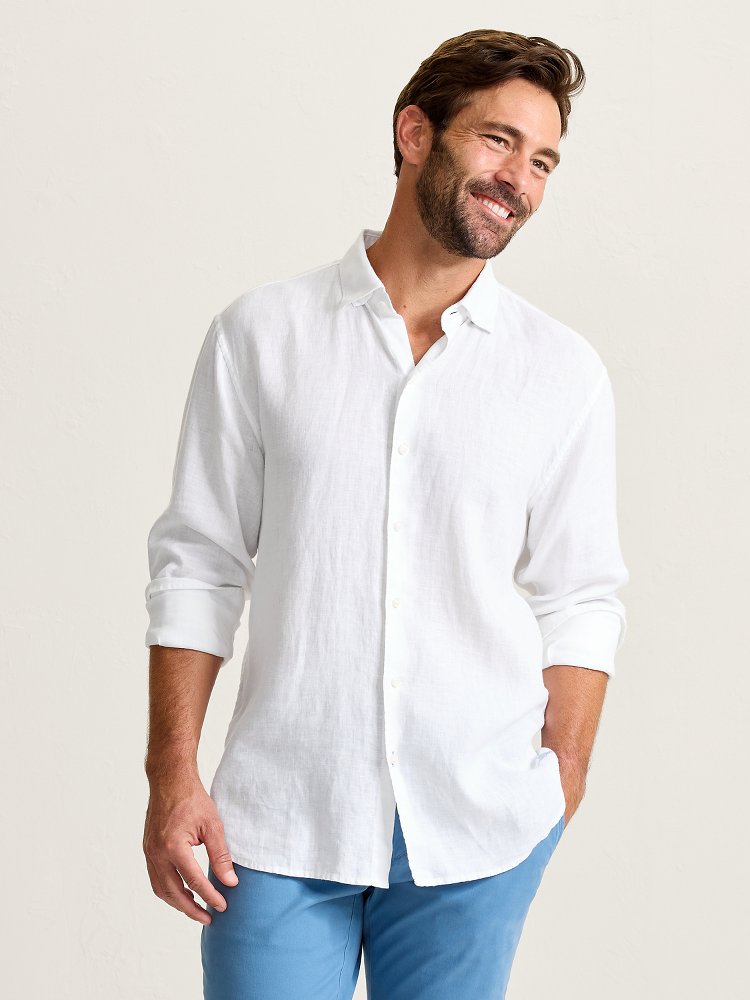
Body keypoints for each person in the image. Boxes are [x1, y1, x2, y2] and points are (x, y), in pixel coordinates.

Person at [142, 27, 629, 1000]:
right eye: (497, 140)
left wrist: (560, 778)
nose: (519, 180)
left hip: (477, 832)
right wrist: (172, 775)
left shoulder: (559, 372)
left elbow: (580, 592)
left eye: (542, 161)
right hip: (277, 822)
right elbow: (199, 564)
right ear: (415, 133)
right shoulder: (262, 336)